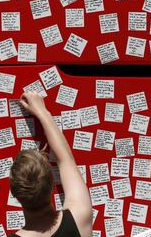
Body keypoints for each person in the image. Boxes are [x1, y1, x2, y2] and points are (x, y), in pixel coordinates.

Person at [8, 92, 93, 237]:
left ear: (14, 193)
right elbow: (65, 159)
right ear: (52, 184)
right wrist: (42, 112)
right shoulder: (80, 216)